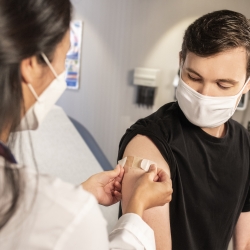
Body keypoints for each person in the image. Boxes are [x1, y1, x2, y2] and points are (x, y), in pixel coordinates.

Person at [0, 0, 173, 249]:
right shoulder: (71, 215)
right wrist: (135, 208)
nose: (62, 70)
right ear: (30, 65)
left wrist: (81, 194)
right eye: (66, 56)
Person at [118, 10, 250, 250]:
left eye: (223, 84)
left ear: (246, 84)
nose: (204, 94)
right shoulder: (148, 143)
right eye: (193, 76)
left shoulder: (246, 143)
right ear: (181, 62)